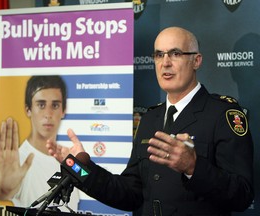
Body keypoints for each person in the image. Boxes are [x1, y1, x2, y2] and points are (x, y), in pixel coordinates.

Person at [46, 27, 254, 215]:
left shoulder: (222, 114)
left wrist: (193, 166)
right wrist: (75, 166)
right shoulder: (150, 118)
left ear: (196, 61)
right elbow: (129, 193)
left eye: (175, 53)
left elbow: (242, 195)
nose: (165, 63)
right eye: (158, 55)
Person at [0, 75, 79, 211]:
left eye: (55, 105)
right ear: (28, 110)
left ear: (63, 110)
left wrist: (78, 165)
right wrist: (3, 189)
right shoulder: (18, 161)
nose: (48, 114)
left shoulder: (67, 158)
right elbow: (5, 190)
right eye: (41, 105)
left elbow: (89, 180)